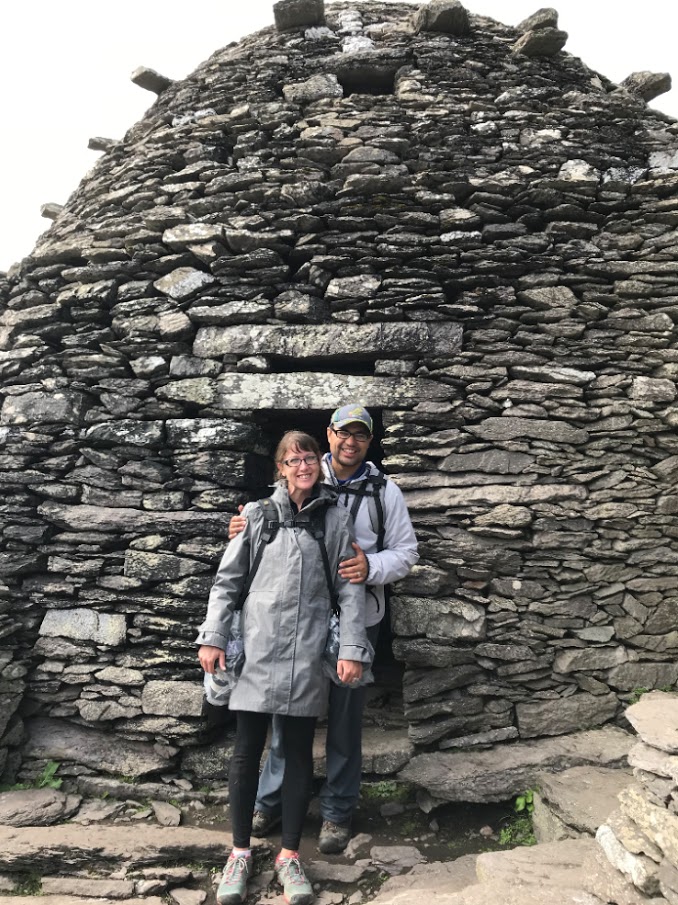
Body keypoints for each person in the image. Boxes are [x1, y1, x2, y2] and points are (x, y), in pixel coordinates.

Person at [229, 404, 419, 854]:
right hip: (298, 621)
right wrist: (239, 525)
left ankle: (336, 811)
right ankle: (269, 801)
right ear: (328, 435)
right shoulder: (306, 473)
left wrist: (370, 565)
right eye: (342, 433)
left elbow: (406, 552)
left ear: (369, 443)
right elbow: (262, 524)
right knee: (286, 711)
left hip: (358, 620)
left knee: (346, 721)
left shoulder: (384, 491)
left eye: (360, 436)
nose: (350, 442)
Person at [198, 430, 371, 905]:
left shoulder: (335, 521)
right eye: (293, 460)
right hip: (255, 651)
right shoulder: (256, 516)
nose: (303, 466)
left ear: (320, 463)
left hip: (307, 652)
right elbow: (227, 582)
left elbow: (351, 592)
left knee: (296, 753)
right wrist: (213, 638)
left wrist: (352, 648)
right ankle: (239, 853)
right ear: (280, 467)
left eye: (310, 458)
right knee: (246, 749)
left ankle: (289, 856)